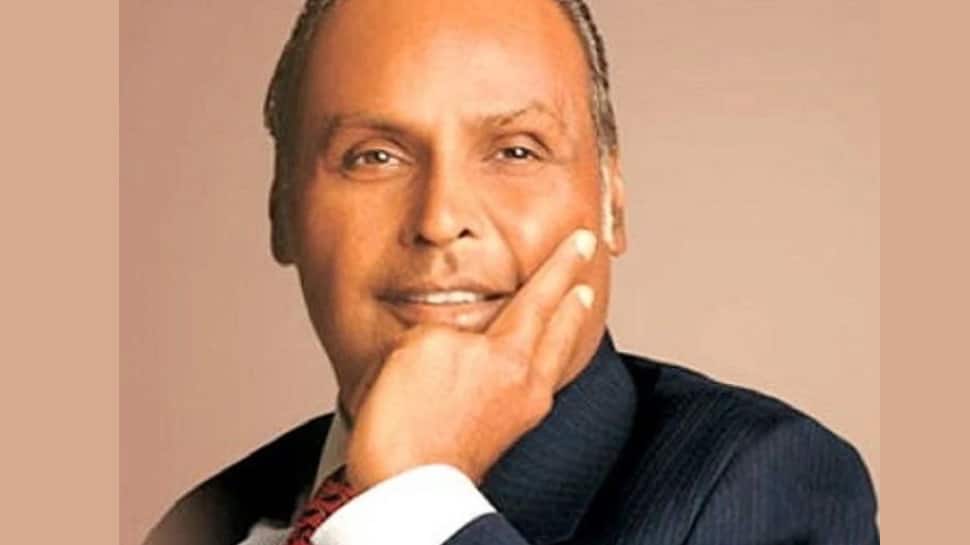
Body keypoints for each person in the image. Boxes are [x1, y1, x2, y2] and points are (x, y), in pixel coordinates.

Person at [145, 0, 879, 544]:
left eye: (516, 151)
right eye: (374, 156)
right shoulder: (207, 519)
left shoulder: (765, 484)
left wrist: (409, 499)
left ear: (612, 203)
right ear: (281, 210)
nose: (440, 218)